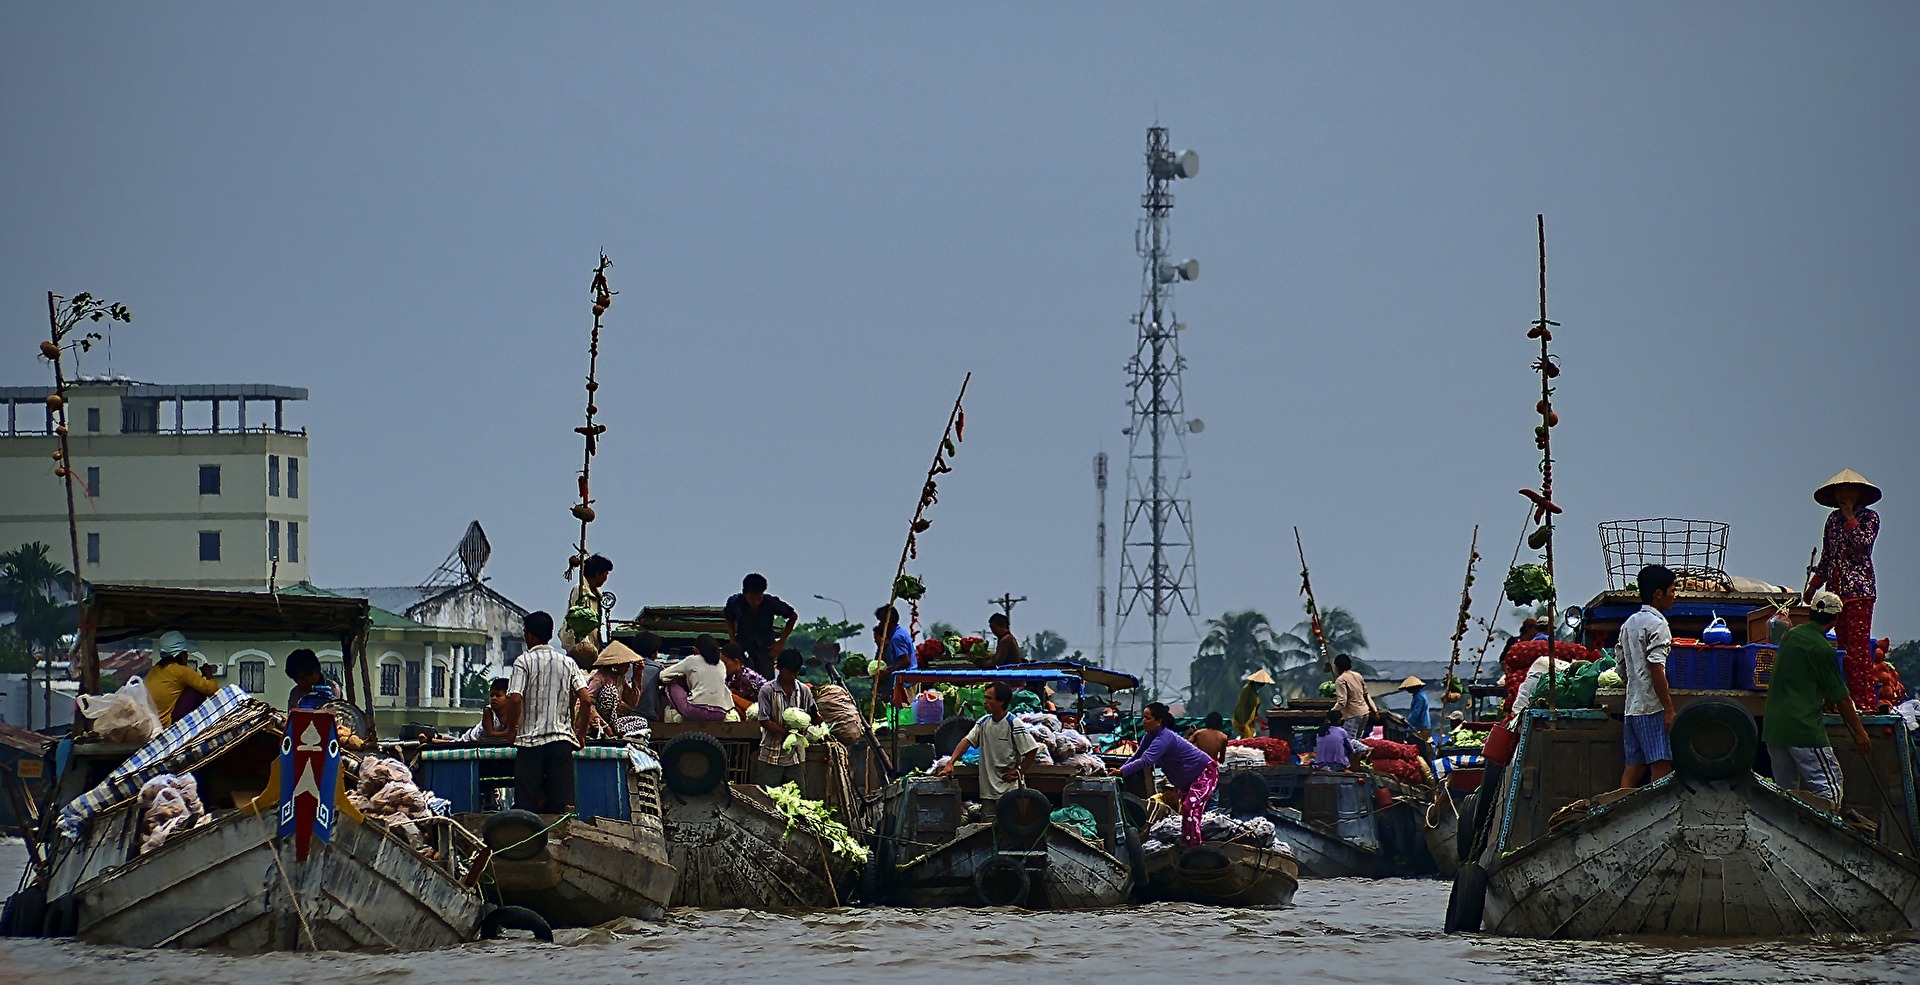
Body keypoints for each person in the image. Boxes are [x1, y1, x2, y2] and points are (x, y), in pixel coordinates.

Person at [1764, 591, 1872, 803]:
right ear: (1836, 619)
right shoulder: (1822, 648)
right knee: (1829, 790)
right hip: (1802, 728)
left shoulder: (1791, 636)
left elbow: (1802, 676)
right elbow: (1841, 696)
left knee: (1784, 797)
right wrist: (1860, 734)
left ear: (1811, 612)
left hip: (1774, 727)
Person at [505, 611, 603, 814]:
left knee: (526, 804)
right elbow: (585, 699)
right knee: (560, 804)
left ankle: (527, 840)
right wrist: (581, 734)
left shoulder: (523, 661)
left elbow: (515, 698)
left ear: (529, 635)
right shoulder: (568, 663)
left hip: (529, 744)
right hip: (561, 742)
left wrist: (512, 729)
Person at [1806, 469, 1882, 710]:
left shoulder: (1870, 518)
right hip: (1836, 594)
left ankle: (1864, 702)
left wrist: (1850, 517)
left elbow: (1863, 546)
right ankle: (1842, 700)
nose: (1844, 495)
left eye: (1848, 490)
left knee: (1858, 651)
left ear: (1859, 493)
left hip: (1859, 592)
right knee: (1841, 650)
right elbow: (1827, 557)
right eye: (1840, 490)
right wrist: (1813, 587)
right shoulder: (1832, 521)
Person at [1113, 702, 1218, 848]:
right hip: (1187, 780)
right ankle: (1189, 844)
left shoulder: (1164, 738)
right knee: (1188, 813)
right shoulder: (1149, 737)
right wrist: (1120, 770)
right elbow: (1137, 755)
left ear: (1158, 722)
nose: (1143, 721)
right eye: (1143, 717)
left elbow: (1146, 760)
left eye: (1147, 718)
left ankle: (1194, 847)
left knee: (1189, 808)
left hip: (1204, 773)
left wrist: (1122, 772)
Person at [1618, 564, 1678, 788]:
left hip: (1631, 707)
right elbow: (1656, 668)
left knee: (1634, 768)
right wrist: (1669, 709)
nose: (1675, 596)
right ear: (1658, 594)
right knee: (1661, 767)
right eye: (1672, 590)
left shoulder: (1629, 623)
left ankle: (1617, 813)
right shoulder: (1658, 625)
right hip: (1651, 707)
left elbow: (1621, 665)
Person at [940, 682, 1039, 807]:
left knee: (1010, 823)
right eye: (985, 698)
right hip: (988, 793)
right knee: (988, 824)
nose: (985, 702)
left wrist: (1019, 771)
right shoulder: (983, 722)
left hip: (1010, 791)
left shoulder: (1013, 723)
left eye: (989, 698)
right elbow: (966, 741)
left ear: (1001, 702)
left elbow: (1032, 749)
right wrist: (951, 762)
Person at [755, 649, 818, 787]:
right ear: (779, 668)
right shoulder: (767, 690)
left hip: (796, 758)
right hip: (771, 755)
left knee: (798, 800)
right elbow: (764, 720)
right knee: (768, 799)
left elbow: (812, 715)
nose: (792, 677)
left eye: (795, 673)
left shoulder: (804, 691)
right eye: (789, 673)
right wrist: (785, 732)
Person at [724, 573, 798, 678]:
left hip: (765, 648)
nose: (756, 602)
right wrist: (732, 640)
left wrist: (781, 642)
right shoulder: (735, 603)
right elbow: (728, 618)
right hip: (743, 646)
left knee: (766, 679)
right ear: (744, 594)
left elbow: (793, 616)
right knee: (742, 677)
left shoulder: (771, 603)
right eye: (751, 598)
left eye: (759, 598)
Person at [144, 630, 222, 727]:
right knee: (196, 691)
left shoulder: (155, 670)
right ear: (182, 655)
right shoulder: (181, 671)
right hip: (165, 723)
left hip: (151, 722)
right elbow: (212, 690)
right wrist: (209, 674)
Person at [659, 634, 734, 722]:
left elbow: (663, 675)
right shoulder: (721, 664)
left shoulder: (692, 660)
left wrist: (681, 676)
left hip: (696, 712)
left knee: (671, 683)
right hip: (720, 713)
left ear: (696, 649)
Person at [586, 641, 649, 737]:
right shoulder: (599, 679)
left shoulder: (620, 679)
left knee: (642, 722)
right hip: (596, 723)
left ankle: (616, 731)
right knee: (610, 691)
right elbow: (587, 704)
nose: (628, 668)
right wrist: (604, 727)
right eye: (625, 664)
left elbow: (633, 702)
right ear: (615, 664)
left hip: (613, 723)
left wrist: (638, 675)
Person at [559, 554, 615, 649]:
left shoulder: (598, 595)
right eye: (606, 573)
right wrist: (584, 647)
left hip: (594, 646)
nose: (606, 578)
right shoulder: (581, 591)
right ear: (597, 573)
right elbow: (578, 623)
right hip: (581, 648)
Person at [873, 605, 915, 706]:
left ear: (886, 621)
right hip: (906, 680)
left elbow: (906, 661)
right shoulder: (900, 632)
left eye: (881, 622)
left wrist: (888, 672)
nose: (880, 625)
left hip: (906, 682)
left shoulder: (897, 637)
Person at [720, 642, 769, 718]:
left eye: (725, 663)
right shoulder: (734, 678)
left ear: (736, 662)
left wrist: (732, 695)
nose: (722, 666)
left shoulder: (748, 677)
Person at [1332, 654, 1375, 739]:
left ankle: (1365, 749)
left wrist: (1332, 713)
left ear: (1337, 667)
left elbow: (1342, 702)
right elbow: (1366, 694)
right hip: (1365, 713)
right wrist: (1374, 710)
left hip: (1353, 714)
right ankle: (1362, 751)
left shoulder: (1340, 680)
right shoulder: (1358, 675)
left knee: (1348, 740)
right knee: (1357, 740)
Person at [1233, 669, 1274, 738]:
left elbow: (1254, 708)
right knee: (1247, 739)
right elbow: (1241, 705)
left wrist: (1257, 718)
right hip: (1242, 722)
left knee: (1251, 739)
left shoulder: (1255, 693)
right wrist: (1242, 722)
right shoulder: (1247, 689)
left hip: (1249, 723)